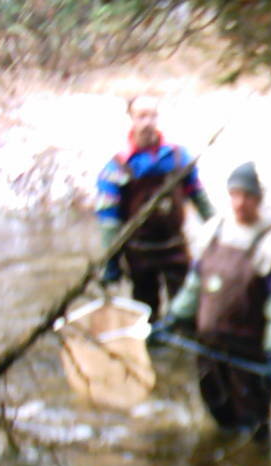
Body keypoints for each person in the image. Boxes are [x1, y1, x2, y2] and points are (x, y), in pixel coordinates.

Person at [160, 161, 271, 442]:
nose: (239, 203)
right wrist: (173, 318)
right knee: (218, 412)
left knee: (253, 423)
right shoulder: (213, 231)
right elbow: (195, 284)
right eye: (234, 195)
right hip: (208, 346)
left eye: (247, 196)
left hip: (248, 353)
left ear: (258, 200)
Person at [95, 94, 216, 321]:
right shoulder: (117, 167)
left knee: (189, 311)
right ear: (131, 119)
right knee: (146, 313)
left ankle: (185, 348)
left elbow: (198, 196)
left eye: (152, 116)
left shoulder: (179, 157)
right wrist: (110, 265)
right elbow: (109, 222)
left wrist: (219, 229)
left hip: (175, 246)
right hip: (139, 252)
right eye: (141, 116)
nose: (148, 122)